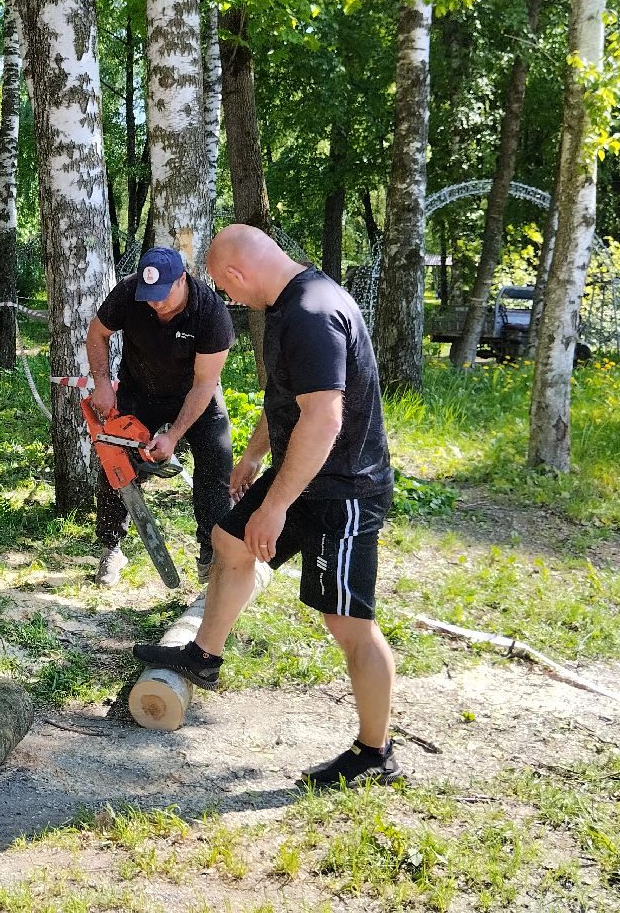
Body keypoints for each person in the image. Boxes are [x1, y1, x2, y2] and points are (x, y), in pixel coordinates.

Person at [134, 224, 400, 788]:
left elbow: (324, 419)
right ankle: (204, 656)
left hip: (342, 488)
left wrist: (275, 507)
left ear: (236, 273)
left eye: (224, 287)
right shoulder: (291, 303)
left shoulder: (310, 314)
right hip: (301, 472)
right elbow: (288, 398)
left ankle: (375, 754)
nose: (227, 298)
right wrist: (255, 456)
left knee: (348, 622)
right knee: (229, 540)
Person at [86, 247, 234, 586]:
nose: (155, 303)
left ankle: (213, 556)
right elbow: (98, 334)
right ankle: (111, 547)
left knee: (216, 462)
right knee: (115, 462)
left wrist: (174, 435)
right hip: (140, 389)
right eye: (149, 296)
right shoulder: (128, 293)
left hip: (195, 393)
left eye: (163, 295)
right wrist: (103, 383)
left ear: (182, 279)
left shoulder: (211, 313)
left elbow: (204, 384)